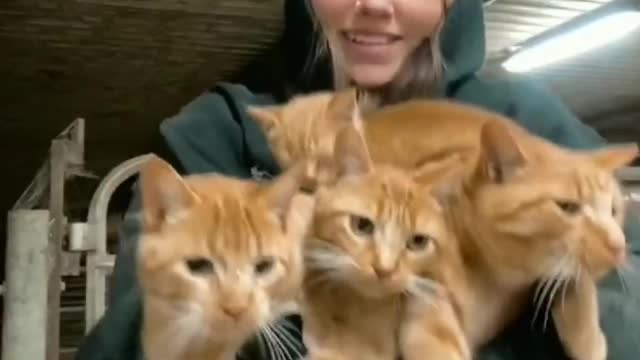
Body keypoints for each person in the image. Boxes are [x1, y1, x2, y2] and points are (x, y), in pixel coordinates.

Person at [76, 0, 640, 359]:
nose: (375, 4)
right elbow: (137, 331)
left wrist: (537, 294)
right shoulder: (222, 129)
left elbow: (628, 286)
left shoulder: (522, 119)